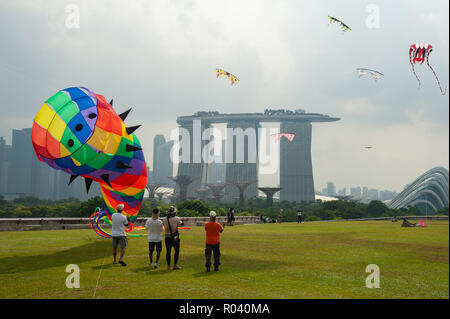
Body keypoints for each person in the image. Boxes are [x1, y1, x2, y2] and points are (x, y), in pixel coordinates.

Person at [162, 206, 183, 270]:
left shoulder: (164, 219)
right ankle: (175, 265)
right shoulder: (177, 218)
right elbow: (181, 224)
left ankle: (168, 266)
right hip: (175, 237)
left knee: (168, 252)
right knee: (176, 251)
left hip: (167, 237)